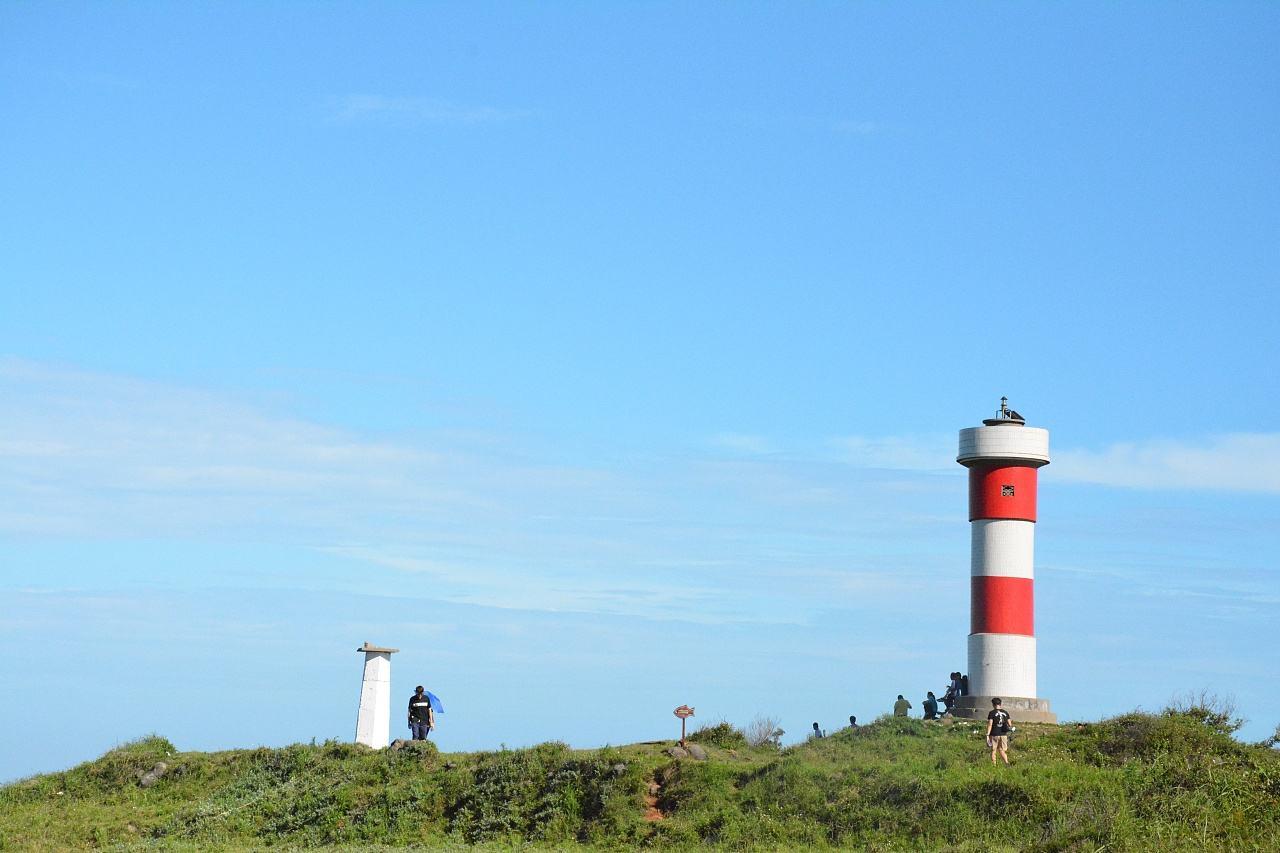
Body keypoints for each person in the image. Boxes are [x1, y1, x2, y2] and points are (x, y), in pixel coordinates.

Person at [986, 698, 1012, 765]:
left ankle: (994, 765)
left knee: (993, 750)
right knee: (1001, 750)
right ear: (1000, 704)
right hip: (1003, 734)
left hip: (994, 734)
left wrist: (987, 735)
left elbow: (990, 724)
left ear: (993, 704)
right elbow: (1010, 724)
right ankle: (1007, 763)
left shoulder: (992, 713)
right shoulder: (1005, 712)